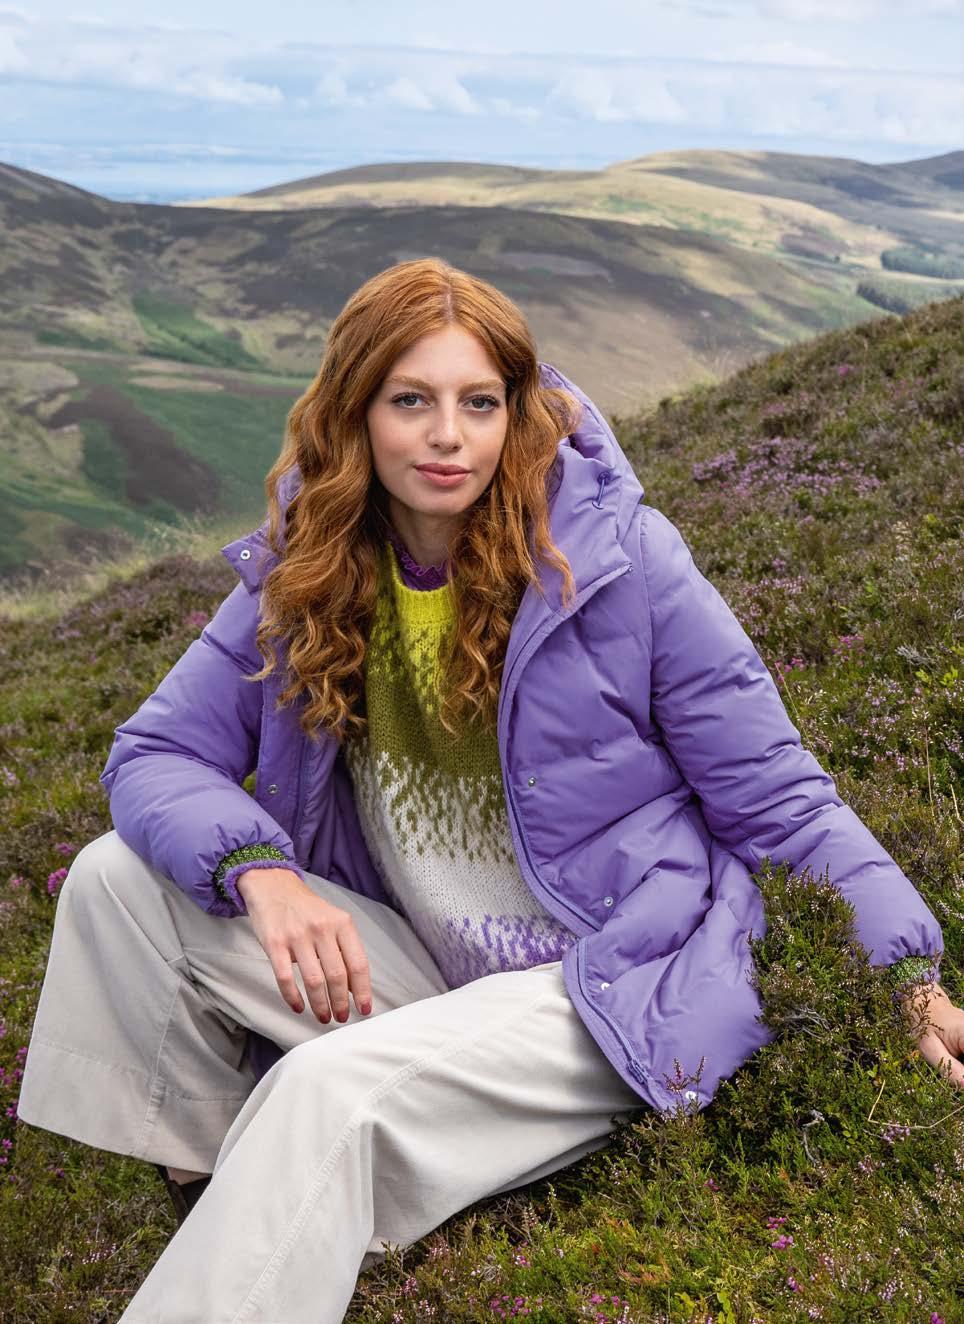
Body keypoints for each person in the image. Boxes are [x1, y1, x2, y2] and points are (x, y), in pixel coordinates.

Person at [17, 257, 961, 1323]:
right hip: (433, 972)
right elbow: (153, 753)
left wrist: (903, 975)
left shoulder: (617, 559)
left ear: (516, 411)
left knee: (326, 1093)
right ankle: (217, 1187)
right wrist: (261, 873)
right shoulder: (312, 567)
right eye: (409, 401)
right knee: (114, 878)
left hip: (609, 988)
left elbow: (779, 796)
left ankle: (276, 1216)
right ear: (354, 413)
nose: (447, 436)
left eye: (478, 402)